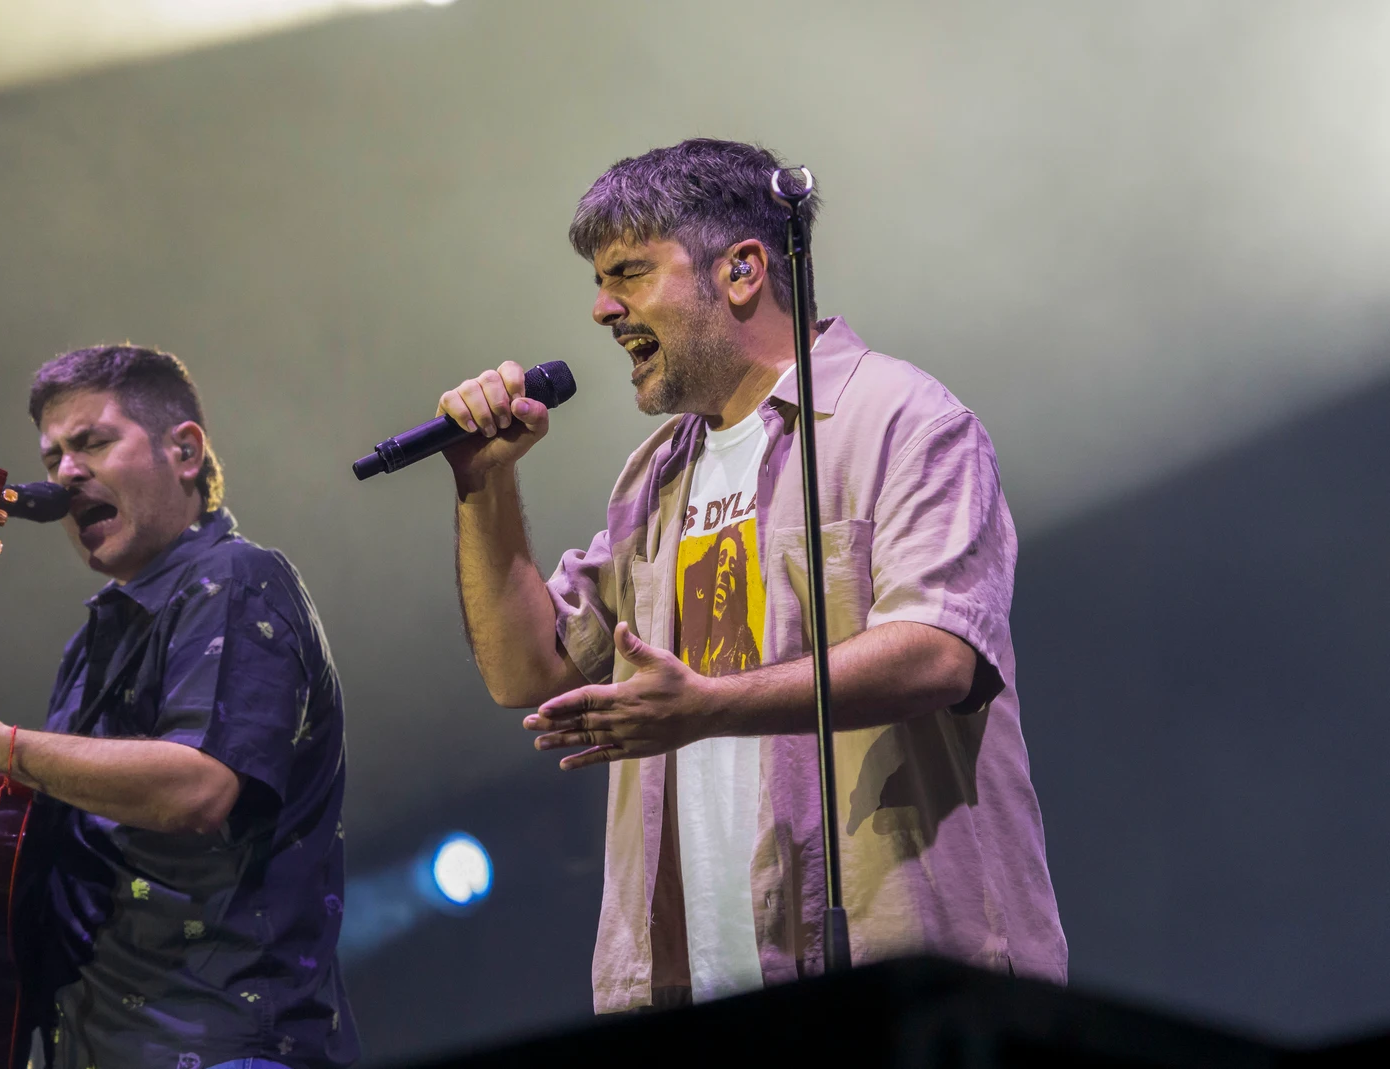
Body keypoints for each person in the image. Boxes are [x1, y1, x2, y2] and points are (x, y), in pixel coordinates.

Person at [437, 139, 1066, 1012]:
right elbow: (525, 669)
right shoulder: (655, 475)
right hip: (705, 986)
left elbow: (937, 652)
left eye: (628, 273)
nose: (602, 309)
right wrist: (483, 482)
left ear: (741, 271)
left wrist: (707, 706)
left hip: (902, 981)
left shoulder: (904, 420)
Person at [0, 344, 358, 1069]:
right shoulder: (93, 640)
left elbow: (199, 789)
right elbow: (98, 845)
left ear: (185, 451)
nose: (66, 472)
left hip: (225, 1046)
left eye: (92, 442)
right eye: (52, 457)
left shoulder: (236, 580)